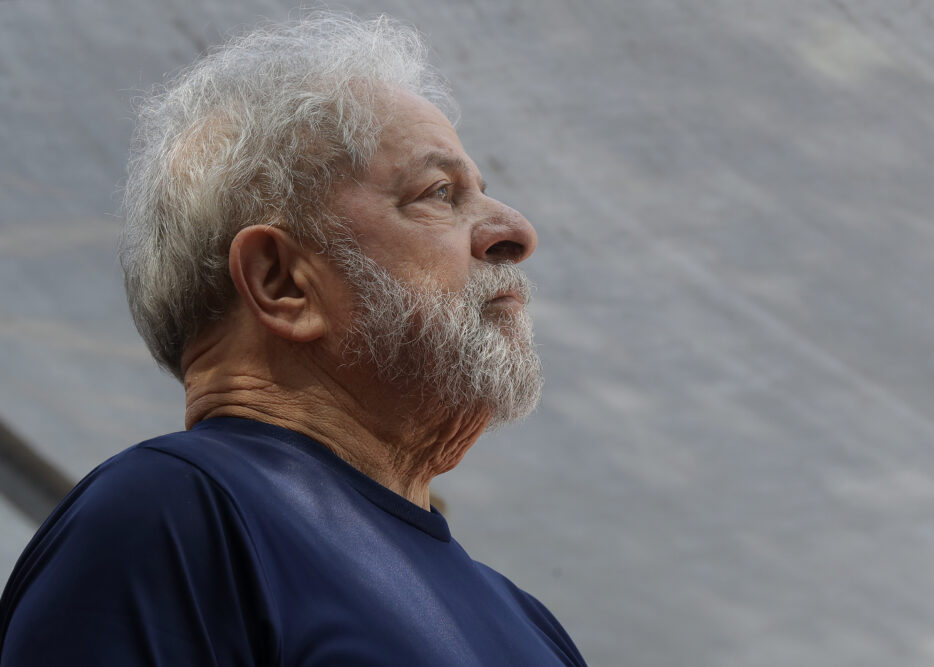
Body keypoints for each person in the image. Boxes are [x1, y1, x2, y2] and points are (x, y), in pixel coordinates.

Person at [0, 14, 586, 666]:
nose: (517, 231)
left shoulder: (534, 626)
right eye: (439, 192)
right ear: (281, 281)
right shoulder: (171, 515)